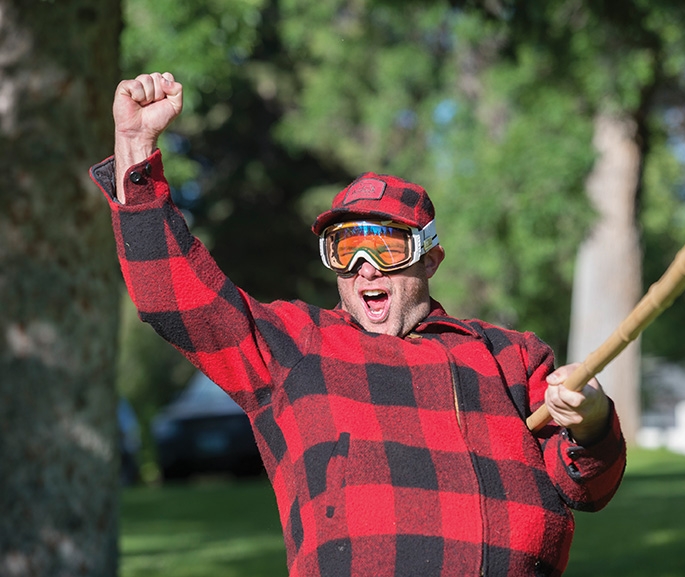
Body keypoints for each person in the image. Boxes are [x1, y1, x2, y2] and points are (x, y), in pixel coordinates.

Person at [91, 72, 626, 577]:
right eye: (345, 247)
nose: (364, 266)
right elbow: (176, 298)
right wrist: (135, 152)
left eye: (387, 245)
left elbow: (588, 488)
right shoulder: (294, 348)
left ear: (430, 259)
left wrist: (593, 421)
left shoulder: (512, 356)